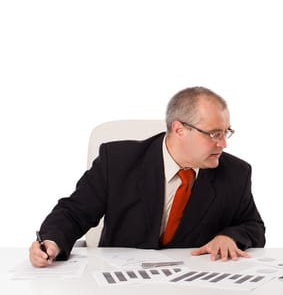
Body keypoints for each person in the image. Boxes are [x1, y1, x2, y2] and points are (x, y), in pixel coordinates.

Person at [29, 87, 265, 267]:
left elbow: (253, 226)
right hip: (119, 280)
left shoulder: (236, 173)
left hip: (191, 282)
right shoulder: (118, 161)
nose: (222, 144)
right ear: (179, 130)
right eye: (214, 134)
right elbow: (74, 212)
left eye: (226, 133)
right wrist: (52, 242)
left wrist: (229, 237)